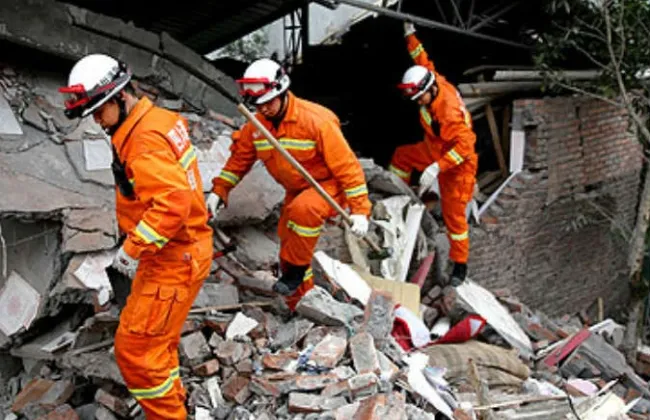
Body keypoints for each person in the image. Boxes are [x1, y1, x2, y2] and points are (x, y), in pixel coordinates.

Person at [59, 54, 213, 419]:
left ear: (120, 96)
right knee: (158, 345)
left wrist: (131, 250)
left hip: (173, 257)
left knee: (136, 352)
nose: (97, 121)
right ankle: (175, 406)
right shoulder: (157, 120)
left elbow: (172, 204)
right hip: (179, 250)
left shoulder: (143, 139)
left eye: (99, 111)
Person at [207, 58, 371, 310]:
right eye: (258, 105)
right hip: (296, 189)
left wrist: (360, 210)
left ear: (282, 92)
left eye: (268, 103)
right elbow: (238, 162)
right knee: (288, 239)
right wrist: (219, 191)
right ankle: (302, 303)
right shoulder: (257, 127)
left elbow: (347, 168)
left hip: (327, 186)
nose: (264, 109)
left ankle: (295, 272)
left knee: (303, 212)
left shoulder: (316, 121)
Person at [390, 23, 478, 286]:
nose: (418, 102)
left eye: (420, 98)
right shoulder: (432, 80)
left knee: (454, 218)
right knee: (401, 157)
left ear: (430, 91)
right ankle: (400, 195)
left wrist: (437, 167)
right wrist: (410, 35)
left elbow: (466, 146)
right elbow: (421, 59)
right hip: (435, 148)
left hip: (457, 165)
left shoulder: (448, 112)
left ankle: (460, 266)